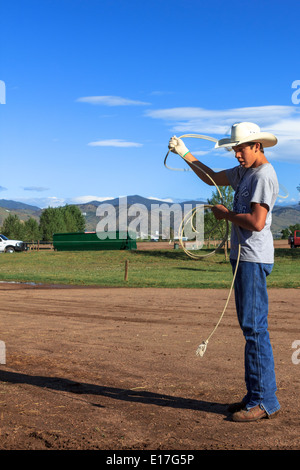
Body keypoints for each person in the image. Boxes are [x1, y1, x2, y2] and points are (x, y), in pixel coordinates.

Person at [168, 122, 281, 422]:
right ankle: (255, 395)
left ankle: (265, 400)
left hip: (253, 259)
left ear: (257, 145)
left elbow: (257, 222)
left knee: (255, 328)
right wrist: (185, 154)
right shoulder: (244, 172)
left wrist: (226, 214)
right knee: (250, 327)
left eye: (240, 149)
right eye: (234, 149)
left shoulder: (263, 175)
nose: (236, 155)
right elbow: (212, 178)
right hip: (244, 257)